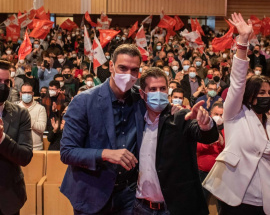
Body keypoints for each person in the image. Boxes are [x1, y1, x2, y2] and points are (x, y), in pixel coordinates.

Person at [60, 44, 181, 215]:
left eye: (134, 70)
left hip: (128, 195)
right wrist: (106, 154)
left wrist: (176, 112)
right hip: (92, 192)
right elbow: (67, 152)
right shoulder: (84, 101)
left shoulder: (140, 99)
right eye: (122, 68)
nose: (128, 75)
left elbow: (161, 106)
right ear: (111, 66)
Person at [203, 13, 270, 215]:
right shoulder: (236, 113)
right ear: (250, 96)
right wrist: (242, 42)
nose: (267, 96)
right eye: (262, 93)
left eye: (269, 93)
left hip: (265, 201)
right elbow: (239, 81)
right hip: (237, 199)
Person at [134, 67, 219, 215]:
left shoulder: (180, 116)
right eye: (153, 89)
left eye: (162, 88)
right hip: (141, 207)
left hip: (174, 208)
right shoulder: (136, 121)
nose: (159, 93)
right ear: (142, 93)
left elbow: (207, 136)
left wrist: (206, 124)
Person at [0, 60, 33, 215]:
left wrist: (2, 139)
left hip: (9, 197)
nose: (3, 85)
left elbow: (25, 156)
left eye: (7, 82)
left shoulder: (21, 114)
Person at [197, 102, 225, 204]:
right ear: (210, 114)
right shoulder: (202, 127)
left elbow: (229, 149)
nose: (219, 117)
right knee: (201, 201)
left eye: (221, 115)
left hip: (221, 172)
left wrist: (221, 143)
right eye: (216, 114)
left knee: (222, 203)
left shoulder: (227, 128)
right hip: (204, 172)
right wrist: (208, 142)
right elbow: (197, 147)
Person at [18, 83, 47, 150]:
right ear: (20, 93)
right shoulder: (16, 108)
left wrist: (27, 119)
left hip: (36, 147)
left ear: (33, 93)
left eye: (29, 92)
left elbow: (42, 128)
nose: (26, 94)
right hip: (19, 147)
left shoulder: (40, 108)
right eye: (24, 92)